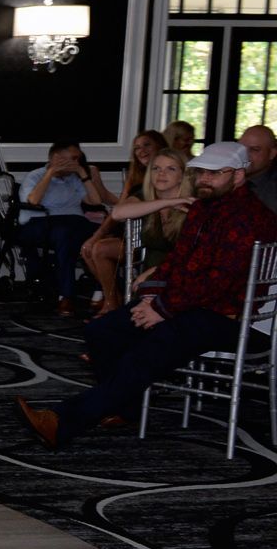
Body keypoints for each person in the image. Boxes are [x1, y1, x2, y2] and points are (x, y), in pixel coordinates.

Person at [15, 141, 277, 448]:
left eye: (215, 173)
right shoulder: (205, 208)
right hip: (194, 304)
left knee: (154, 344)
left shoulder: (248, 218)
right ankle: (122, 408)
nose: (205, 179)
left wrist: (163, 309)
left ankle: (62, 421)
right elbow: (179, 262)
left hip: (235, 316)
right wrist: (153, 297)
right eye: (202, 172)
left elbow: (219, 281)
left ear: (238, 176)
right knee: (103, 330)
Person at [17, 141, 115, 316]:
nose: (78, 161)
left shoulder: (74, 179)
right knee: (65, 236)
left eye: (79, 158)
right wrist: (51, 172)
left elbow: (95, 201)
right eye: (74, 158)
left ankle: (102, 291)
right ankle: (66, 295)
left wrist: (83, 175)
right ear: (56, 158)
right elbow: (33, 201)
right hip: (41, 221)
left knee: (103, 234)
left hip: (74, 222)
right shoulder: (34, 176)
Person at [83, 134, 176, 313]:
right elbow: (118, 208)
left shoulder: (175, 187)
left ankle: (111, 303)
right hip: (132, 233)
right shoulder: (136, 179)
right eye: (137, 148)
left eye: (147, 145)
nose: (142, 151)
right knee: (90, 249)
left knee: (99, 248)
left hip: (149, 240)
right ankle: (113, 298)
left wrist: (97, 236)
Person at [105, 149, 194, 290]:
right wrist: (168, 202)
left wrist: (154, 272)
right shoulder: (145, 197)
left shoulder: (192, 203)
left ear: (182, 176)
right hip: (148, 278)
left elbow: (195, 254)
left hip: (181, 275)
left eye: (171, 169)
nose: (161, 173)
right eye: (156, 168)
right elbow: (117, 213)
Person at [242, 124, 277, 214]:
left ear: (272, 154)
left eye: (254, 149)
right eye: (241, 149)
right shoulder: (224, 177)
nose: (244, 155)